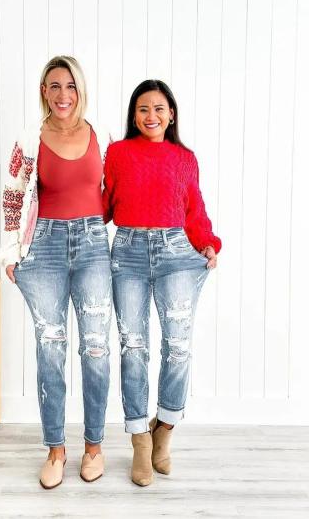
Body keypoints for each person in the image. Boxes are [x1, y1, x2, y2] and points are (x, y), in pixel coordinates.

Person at [0, 56, 112, 489]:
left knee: (96, 348)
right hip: (43, 247)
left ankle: (94, 447)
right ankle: (55, 450)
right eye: (54, 86)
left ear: (81, 90)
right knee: (51, 349)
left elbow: (117, 192)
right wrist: (10, 252)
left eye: (70, 86)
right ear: (43, 92)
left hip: (92, 246)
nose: (63, 95)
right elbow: (13, 194)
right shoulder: (30, 138)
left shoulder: (103, 135)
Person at [103, 79, 221, 486]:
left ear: (171, 114)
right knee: (133, 346)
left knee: (178, 346)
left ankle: (164, 430)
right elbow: (103, 205)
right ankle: (139, 438)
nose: (150, 116)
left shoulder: (185, 158)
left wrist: (206, 243)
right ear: (133, 116)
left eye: (158, 108)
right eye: (142, 109)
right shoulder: (118, 153)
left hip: (176, 253)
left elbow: (194, 210)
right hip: (128, 253)